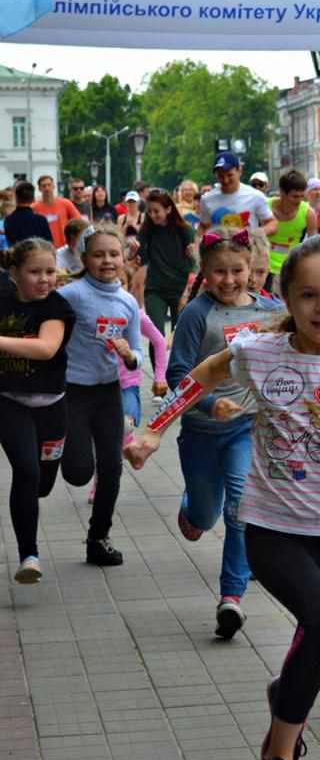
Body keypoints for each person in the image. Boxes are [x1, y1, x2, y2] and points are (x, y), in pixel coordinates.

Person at [126, 234, 320, 760]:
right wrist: (153, 430)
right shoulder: (260, 350)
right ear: (285, 297)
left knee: (317, 649)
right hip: (271, 526)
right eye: (308, 295)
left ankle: (282, 716)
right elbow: (201, 377)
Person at [166, 228, 283, 638]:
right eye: (219, 272)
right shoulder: (197, 314)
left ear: (252, 269)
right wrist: (208, 402)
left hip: (245, 428)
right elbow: (176, 373)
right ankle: (191, 507)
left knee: (240, 506)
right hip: (200, 429)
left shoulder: (270, 309)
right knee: (205, 512)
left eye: (238, 271)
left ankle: (231, 598)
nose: (229, 280)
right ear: (205, 272)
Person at [59, 224, 143, 566]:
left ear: (124, 258)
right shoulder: (72, 294)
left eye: (113, 254)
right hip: (72, 390)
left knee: (111, 466)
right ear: (85, 258)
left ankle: (99, 539)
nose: (107, 261)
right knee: (78, 472)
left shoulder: (127, 303)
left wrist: (128, 355)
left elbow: (138, 354)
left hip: (109, 390)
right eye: (98, 254)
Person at [0, 238, 75, 584]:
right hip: (9, 401)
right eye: (35, 272)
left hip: (52, 406)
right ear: (14, 273)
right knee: (26, 473)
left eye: (50, 272)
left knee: (43, 483)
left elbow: (46, 349)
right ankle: (29, 555)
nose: (44, 279)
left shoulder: (56, 308)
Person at [139, 190, 196, 354]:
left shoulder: (185, 230)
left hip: (180, 290)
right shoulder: (147, 230)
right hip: (155, 290)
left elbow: (195, 263)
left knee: (180, 336)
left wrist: (194, 256)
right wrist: (133, 251)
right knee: (155, 335)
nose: (152, 215)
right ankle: (159, 376)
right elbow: (138, 256)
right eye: (149, 211)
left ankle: (177, 374)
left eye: (156, 211)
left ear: (169, 209)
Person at [116, 266, 167, 439]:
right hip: (95, 385)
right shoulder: (89, 311)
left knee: (125, 427)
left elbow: (159, 341)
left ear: (129, 286)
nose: (114, 285)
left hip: (127, 385)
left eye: (120, 282)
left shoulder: (135, 313)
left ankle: (122, 454)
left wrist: (160, 377)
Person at [199, 152, 277, 235]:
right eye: (221, 176)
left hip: (247, 247)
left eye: (230, 175)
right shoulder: (207, 199)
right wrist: (197, 243)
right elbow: (203, 226)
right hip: (219, 247)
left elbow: (272, 224)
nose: (225, 180)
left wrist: (254, 234)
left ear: (239, 171)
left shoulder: (255, 196)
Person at [266, 170, 318, 288]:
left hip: (290, 267)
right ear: (282, 193)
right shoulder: (265, 207)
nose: (299, 201)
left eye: (302, 196)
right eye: (294, 196)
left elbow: (314, 245)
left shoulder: (308, 213)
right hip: (264, 266)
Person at [32, 175, 80, 248]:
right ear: (39, 188)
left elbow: (78, 221)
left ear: (53, 186)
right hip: (44, 248)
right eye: (44, 186)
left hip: (64, 246)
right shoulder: (34, 207)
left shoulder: (65, 203)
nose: (47, 188)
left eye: (49, 185)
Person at [6, 181, 53, 246]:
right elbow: (49, 244)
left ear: (16, 198)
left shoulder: (9, 220)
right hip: (39, 254)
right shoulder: (41, 220)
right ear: (33, 199)